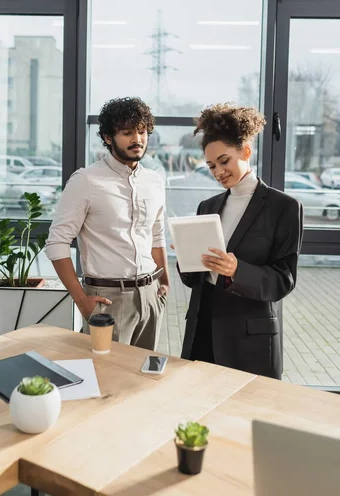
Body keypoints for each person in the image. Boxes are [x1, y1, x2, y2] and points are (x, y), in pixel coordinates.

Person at [178, 103, 303, 379]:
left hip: (249, 339)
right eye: (211, 166)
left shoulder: (283, 208)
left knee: (245, 417)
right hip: (202, 330)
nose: (218, 172)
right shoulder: (207, 206)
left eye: (224, 161)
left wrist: (237, 270)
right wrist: (186, 256)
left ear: (245, 151)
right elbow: (194, 280)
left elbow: (283, 280)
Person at [45, 97, 169, 350]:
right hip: (107, 298)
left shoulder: (154, 180)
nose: (138, 139)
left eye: (142, 131)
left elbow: (157, 235)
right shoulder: (86, 180)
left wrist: (164, 281)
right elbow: (56, 244)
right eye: (127, 132)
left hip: (150, 295)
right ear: (108, 137)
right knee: (104, 380)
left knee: (143, 379)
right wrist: (82, 300)